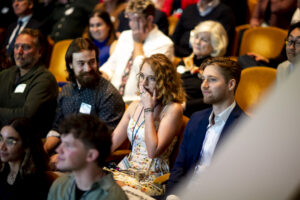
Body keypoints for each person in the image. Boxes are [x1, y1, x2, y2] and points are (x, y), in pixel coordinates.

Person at [165, 57, 246, 197]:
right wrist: (172, 195)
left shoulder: (245, 128)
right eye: (203, 79)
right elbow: (179, 167)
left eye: (212, 79)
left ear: (231, 84)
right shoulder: (196, 119)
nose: (204, 85)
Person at [110, 54, 185, 196]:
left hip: (152, 178)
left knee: (112, 192)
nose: (143, 83)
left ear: (165, 82)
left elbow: (153, 151)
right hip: (126, 170)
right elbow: (112, 143)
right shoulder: (133, 106)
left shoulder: (173, 109)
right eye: (142, 76)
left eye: (151, 79)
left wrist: (148, 110)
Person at [44, 37, 125, 155]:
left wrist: (64, 156)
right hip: (64, 151)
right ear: (70, 64)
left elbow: (103, 142)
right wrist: (44, 150)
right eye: (81, 63)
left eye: (92, 62)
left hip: (88, 158)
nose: (88, 68)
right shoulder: (66, 90)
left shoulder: (108, 95)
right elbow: (58, 128)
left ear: (97, 62)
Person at [101, 0, 174, 103]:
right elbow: (111, 65)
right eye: (130, 19)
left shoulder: (164, 44)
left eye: (136, 20)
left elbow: (145, 75)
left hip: (139, 103)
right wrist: (102, 74)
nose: (131, 25)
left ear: (149, 19)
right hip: (112, 98)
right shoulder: (125, 36)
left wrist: (137, 42)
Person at [47, 114, 128, 200]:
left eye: (68, 145)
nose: (58, 150)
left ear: (91, 155)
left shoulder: (113, 197)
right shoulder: (59, 185)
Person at [0, 28, 58, 137]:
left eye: (26, 47)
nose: (19, 51)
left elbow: (27, 114)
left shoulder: (45, 79)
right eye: (16, 46)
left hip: (27, 141)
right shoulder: (5, 74)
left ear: (39, 52)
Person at [177, 20, 228, 117]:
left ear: (215, 45)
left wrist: (184, 105)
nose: (197, 42)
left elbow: (213, 98)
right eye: (196, 37)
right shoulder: (185, 61)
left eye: (204, 40)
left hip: (193, 113)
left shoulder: (217, 69)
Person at [0, 118, 53, 200]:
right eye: (1, 139)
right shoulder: (3, 171)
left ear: (26, 146)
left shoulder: (36, 182)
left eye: (10, 141)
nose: (2, 147)